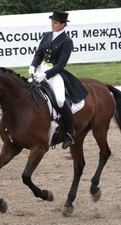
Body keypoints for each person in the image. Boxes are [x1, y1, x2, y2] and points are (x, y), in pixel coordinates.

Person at [29, 10, 88, 149]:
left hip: (54, 73)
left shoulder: (67, 41)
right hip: (40, 70)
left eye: (55, 23)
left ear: (63, 24)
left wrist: (47, 74)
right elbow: (38, 54)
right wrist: (33, 65)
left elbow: (61, 64)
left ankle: (69, 132)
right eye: (52, 22)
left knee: (60, 100)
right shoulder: (46, 36)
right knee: (26, 91)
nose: (52, 24)